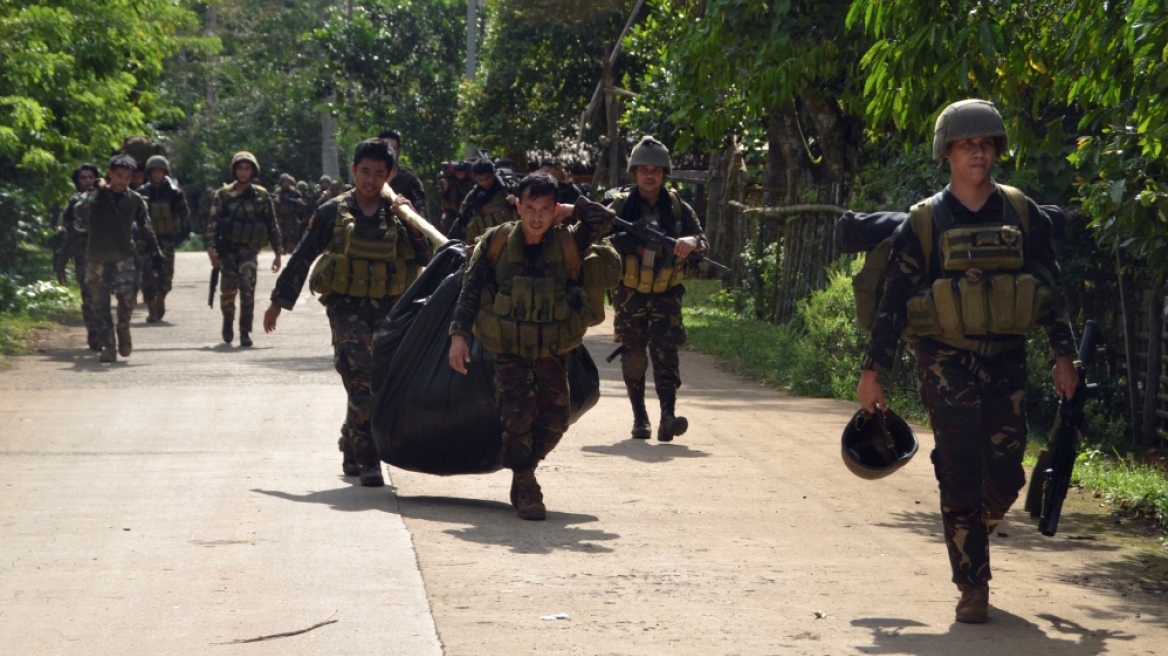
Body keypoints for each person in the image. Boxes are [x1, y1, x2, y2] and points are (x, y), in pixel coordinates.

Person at [855, 99, 1078, 624]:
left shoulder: (1022, 214)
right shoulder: (925, 222)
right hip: (942, 359)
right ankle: (971, 585)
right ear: (948, 153)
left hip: (1007, 358)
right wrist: (872, 372)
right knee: (959, 469)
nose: (978, 153)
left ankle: (974, 521)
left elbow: (1051, 288)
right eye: (966, 144)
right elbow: (892, 302)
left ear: (996, 149)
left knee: (1005, 475)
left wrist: (1063, 355)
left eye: (985, 143)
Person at [447, 172, 614, 520]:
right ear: (518, 207)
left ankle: (523, 470)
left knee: (554, 420)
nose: (537, 217)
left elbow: (603, 219)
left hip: (552, 348)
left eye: (545, 209)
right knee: (517, 416)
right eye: (530, 208)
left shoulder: (568, 243)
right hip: (509, 347)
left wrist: (576, 207)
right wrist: (458, 337)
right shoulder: (497, 242)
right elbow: (471, 289)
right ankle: (526, 484)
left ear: (555, 210)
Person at [264, 139, 431, 486]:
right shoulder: (330, 212)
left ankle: (350, 440)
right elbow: (303, 255)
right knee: (359, 379)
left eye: (379, 174)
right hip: (346, 309)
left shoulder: (398, 212)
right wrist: (279, 301)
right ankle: (369, 460)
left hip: (388, 307)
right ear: (353, 170)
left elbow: (423, 257)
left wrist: (411, 221)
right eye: (365, 172)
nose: (371, 180)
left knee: (379, 382)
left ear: (390, 175)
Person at [605, 136, 707, 443]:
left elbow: (703, 242)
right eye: (644, 169)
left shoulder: (678, 209)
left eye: (656, 170)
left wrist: (693, 243)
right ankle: (640, 418)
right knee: (633, 355)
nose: (650, 175)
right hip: (629, 292)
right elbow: (592, 243)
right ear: (634, 173)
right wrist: (616, 243)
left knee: (666, 353)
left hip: (666, 292)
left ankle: (667, 416)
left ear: (664, 174)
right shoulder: (619, 207)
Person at [72, 155, 164, 363]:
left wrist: (156, 255)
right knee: (99, 304)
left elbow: (146, 229)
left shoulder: (135, 199)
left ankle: (123, 328)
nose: (123, 181)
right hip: (96, 257)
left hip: (124, 256)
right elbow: (79, 211)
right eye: (119, 176)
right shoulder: (95, 197)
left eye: (128, 177)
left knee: (127, 298)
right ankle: (109, 346)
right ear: (110, 174)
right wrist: (95, 191)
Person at [205, 152, 282, 347]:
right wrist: (211, 250)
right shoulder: (222, 195)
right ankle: (228, 321)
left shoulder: (262, 195)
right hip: (227, 249)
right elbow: (212, 224)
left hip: (249, 250)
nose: (243, 171)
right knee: (227, 292)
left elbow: (271, 224)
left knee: (248, 290)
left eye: (247, 168)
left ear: (253, 171)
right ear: (234, 170)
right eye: (240, 168)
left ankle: (245, 331)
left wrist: (278, 253)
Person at [136, 155, 191, 323]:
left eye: (160, 171)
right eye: (154, 171)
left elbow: (185, 214)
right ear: (149, 173)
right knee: (147, 275)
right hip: (147, 240)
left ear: (165, 172)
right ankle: (152, 309)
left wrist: (178, 200)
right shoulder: (142, 192)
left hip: (167, 239)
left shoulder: (174, 192)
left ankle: (161, 297)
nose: (157, 174)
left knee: (166, 277)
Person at [52, 163, 101, 350]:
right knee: (89, 297)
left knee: (104, 297)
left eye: (91, 177)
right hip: (83, 256)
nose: (88, 180)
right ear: (77, 182)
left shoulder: (106, 200)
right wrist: (60, 265)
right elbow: (65, 239)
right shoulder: (72, 207)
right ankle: (94, 335)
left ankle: (106, 332)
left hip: (106, 255)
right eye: (83, 177)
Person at [449, 159, 518, 245]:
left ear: (493, 173)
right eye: (480, 180)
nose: (485, 183)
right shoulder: (473, 197)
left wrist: (516, 202)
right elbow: (461, 221)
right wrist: (449, 241)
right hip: (485, 244)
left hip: (512, 239)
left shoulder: (509, 188)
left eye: (487, 178)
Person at [378, 129, 430, 221]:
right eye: (384, 149)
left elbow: (423, 221)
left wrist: (409, 210)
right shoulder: (367, 178)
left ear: (399, 153)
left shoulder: (410, 181)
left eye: (393, 149)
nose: (388, 153)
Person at [274, 173, 307, 255]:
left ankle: (291, 247)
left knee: (293, 232)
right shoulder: (278, 191)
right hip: (280, 214)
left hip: (291, 214)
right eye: (284, 182)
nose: (286, 183)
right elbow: (273, 200)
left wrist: (299, 200)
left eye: (287, 182)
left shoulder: (294, 191)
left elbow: (300, 199)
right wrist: (276, 200)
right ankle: (282, 247)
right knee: (280, 232)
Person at [440, 161, 475, 236]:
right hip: (451, 210)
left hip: (465, 210)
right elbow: (444, 196)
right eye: (458, 173)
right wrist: (445, 188)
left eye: (462, 172)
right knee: (446, 229)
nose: (460, 175)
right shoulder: (450, 181)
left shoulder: (470, 182)